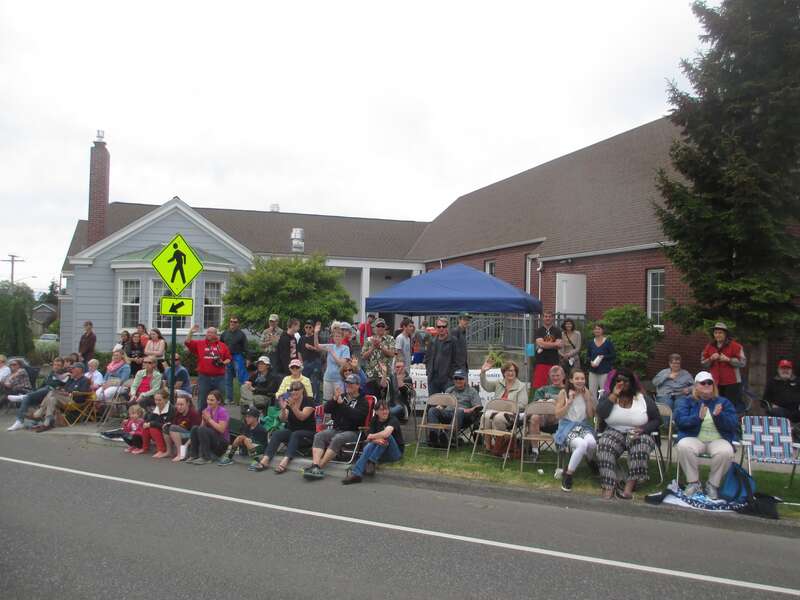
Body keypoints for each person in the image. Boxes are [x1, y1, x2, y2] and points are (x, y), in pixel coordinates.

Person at [596, 368, 660, 499]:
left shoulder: (643, 399)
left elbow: (657, 420)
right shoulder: (607, 396)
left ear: (632, 383)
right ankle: (609, 486)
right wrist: (614, 395)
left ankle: (629, 487)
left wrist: (644, 429)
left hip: (639, 432)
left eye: (626, 381)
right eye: (619, 380)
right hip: (614, 430)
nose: (622, 383)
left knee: (640, 448)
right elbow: (601, 413)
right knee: (604, 447)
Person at [674, 371, 738, 499]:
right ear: (696, 386)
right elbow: (680, 422)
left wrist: (719, 416)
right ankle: (693, 483)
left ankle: (712, 484)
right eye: (703, 383)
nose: (707, 385)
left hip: (718, 439)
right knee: (683, 446)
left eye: (710, 383)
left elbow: (733, 424)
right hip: (695, 438)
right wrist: (697, 418)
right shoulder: (686, 402)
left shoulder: (723, 402)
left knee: (726, 451)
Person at [303, 374, 369, 480]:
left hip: (353, 432)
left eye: (351, 383)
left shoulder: (363, 402)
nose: (348, 385)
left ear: (358, 385)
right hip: (337, 429)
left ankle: (319, 466)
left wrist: (342, 404)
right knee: (319, 435)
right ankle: (315, 465)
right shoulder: (341, 396)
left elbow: (357, 417)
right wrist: (334, 399)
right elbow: (326, 409)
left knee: (338, 438)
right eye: (347, 383)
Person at [252, 382, 316, 473]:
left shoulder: (308, 400)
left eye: (296, 389)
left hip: (308, 433)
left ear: (302, 390)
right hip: (293, 431)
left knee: (295, 434)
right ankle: (265, 460)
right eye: (292, 390)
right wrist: (282, 408)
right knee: (278, 433)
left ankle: (285, 461)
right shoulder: (289, 401)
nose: (294, 391)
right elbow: (283, 419)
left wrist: (293, 407)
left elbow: (302, 417)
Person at [554, 369, 597, 492]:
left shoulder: (586, 392)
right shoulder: (564, 393)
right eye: (577, 378)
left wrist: (588, 399)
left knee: (592, 443)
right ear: (571, 380)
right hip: (567, 427)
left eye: (582, 379)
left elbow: (589, 415)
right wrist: (569, 403)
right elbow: (557, 415)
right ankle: (568, 475)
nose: (580, 381)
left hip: (583, 426)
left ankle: (589, 460)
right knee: (582, 444)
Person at [342, 401, 405, 484]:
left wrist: (372, 437)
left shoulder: (393, 419)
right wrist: (375, 440)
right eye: (382, 410)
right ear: (376, 412)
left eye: (386, 409)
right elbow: (368, 438)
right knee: (373, 443)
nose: (385, 412)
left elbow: (385, 433)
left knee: (387, 436)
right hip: (381, 454)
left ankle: (370, 461)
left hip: (394, 453)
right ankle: (358, 473)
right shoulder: (374, 420)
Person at [7, 357, 66, 431]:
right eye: (55, 365)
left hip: (53, 396)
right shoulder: (52, 373)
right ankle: (19, 421)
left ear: (62, 366)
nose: (56, 366)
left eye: (58, 365)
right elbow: (43, 384)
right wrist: (36, 392)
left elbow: (54, 384)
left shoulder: (65, 374)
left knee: (49, 387)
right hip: (43, 394)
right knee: (28, 398)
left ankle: (23, 399)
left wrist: (51, 383)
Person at [31, 362, 92, 432]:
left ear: (80, 370)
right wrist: (62, 391)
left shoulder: (85, 380)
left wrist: (69, 393)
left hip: (75, 401)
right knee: (52, 399)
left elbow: (83, 393)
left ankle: (39, 412)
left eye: (74, 368)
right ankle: (46, 423)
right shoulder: (71, 379)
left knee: (52, 392)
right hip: (65, 399)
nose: (71, 370)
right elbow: (65, 389)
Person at [701, 322, 747, 414]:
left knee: (729, 407)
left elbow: (743, 363)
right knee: (715, 407)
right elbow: (703, 363)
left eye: (720, 333)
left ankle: (729, 426)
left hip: (732, 383)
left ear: (726, 334)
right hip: (715, 382)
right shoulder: (709, 346)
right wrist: (711, 358)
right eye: (716, 333)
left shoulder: (736, 346)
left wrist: (728, 359)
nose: (718, 335)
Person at [426, 368, 481, 444]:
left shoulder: (472, 391)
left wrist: (468, 410)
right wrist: (440, 407)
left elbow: (478, 406)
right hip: (448, 413)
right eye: (456, 378)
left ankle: (448, 437)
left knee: (458, 411)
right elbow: (443, 405)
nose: (458, 380)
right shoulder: (449, 390)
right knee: (432, 410)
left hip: (463, 416)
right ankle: (434, 436)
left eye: (460, 378)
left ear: (465, 379)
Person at [185, 324, 231, 411]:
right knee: (202, 400)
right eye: (208, 332)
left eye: (211, 332)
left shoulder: (222, 345)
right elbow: (187, 342)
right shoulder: (200, 344)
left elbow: (228, 358)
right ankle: (200, 420)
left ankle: (219, 419)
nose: (208, 334)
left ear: (216, 334)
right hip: (204, 377)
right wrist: (191, 332)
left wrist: (223, 362)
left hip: (219, 377)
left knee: (219, 400)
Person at [479, 359, 527, 432]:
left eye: (513, 371)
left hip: (512, 414)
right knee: (485, 416)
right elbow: (486, 386)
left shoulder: (521, 386)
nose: (510, 373)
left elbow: (522, 405)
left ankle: (499, 443)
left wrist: (506, 407)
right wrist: (483, 372)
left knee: (498, 418)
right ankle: (488, 443)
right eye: (508, 370)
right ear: (504, 372)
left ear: (516, 372)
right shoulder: (499, 383)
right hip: (496, 411)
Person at [187, 390, 230, 465]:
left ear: (218, 401)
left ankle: (206, 457)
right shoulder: (207, 410)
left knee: (202, 429)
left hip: (221, 443)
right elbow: (200, 429)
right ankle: (194, 455)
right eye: (208, 399)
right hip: (212, 439)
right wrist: (204, 420)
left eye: (212, 400)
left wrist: (209, 419)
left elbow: (221, 429)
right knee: (195, 428)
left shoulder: (222, 411)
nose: (209, 402)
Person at [313, 322, 351, 401]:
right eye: (335, 336)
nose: (337, 338)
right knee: (327, 401)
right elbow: (317, 345)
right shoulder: (330, 346)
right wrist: (316, 333)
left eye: (339, 336)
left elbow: (342, 363)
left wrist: (333, 353)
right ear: (333, 337)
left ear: (342, 337)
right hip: (327, 378)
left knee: (339, 401)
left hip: (338, 379)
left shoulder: (345, 348)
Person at [360, 317, 396, 396]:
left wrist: (380, 346)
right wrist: (372, 347)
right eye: (378, 326)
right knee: (372, 400)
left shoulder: (390, 339)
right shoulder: (369, 340)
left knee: (384, 400)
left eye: (382, 326)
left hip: (385, 376)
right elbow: (363, 356)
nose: (380, 328)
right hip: (371, 376)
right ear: (374, 328)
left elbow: (392, 354)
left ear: (385, 327)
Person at [134, 390, 175, 458]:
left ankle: (161, 450)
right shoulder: (155, 408)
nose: (157, 402)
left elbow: (167, 425)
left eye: (159, 400)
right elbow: (149, 419)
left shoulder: (171, 409)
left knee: (152, 428)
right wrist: (146, 423)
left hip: (168, 432)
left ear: (166, 399)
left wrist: (152, 424)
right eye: (156, 400)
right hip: (159, 431)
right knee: (146, 427)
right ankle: (144, 448)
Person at [529, 365, 566, 436]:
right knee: (534, 417)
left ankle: (522, 416)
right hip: (543, 419)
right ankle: (534, 447)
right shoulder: (543, 389)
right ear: (549, 376)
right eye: (553, 376)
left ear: (563, 376)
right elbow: (535, 405)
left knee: (551, 402)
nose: (555, 378)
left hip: (559, 420)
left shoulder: (567, 390)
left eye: (558, 375)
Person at [220, 315, 249, 401]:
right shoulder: (224, 333)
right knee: (227, 379)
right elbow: (220, 346)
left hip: (238, 356)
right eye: (231, 321)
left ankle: (244, 398)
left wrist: (248, 359)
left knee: (242, 378)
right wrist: (221, 358)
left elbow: (246, 347)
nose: (232, 323)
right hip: (227, 357)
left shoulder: (241, 334)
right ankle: (229, 398)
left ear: (238, 324)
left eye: (235, 322)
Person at [426, 318, 458, 395]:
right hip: (433, 379)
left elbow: (457, 360)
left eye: (444, 326)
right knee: (433, 403)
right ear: (436, 327)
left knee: (448, 404)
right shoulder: (432, 341)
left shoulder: (453, 341)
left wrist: (451, 375)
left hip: (447, 380)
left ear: (447, 328)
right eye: (439, 326)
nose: (441, 328)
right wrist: (428, 371)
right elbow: (427, 357)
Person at [167, 394, 202, 462]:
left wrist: (185, 446)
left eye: (181, 404)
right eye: (177, 404)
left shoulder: (193, 414)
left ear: (188, 403)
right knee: (166, 428)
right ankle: (169, 451)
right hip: (183, 433)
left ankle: (181, 454)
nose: (179, 407)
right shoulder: (177, 412)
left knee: (173, 428)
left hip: (192, 437)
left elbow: (195, 433)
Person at [533, 310, 563, 390]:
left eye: (549, 317)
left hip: (554, 361)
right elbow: (540, 344)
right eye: (546, 316)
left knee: (554, 385)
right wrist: (554, 344)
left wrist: (544, 344)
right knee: (539, 387)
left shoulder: (557, 331)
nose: (547, 318)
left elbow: (560, 345)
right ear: (543, 318)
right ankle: (538, 402)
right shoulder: (539, 330)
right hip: (541, 361)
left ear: (553, 318)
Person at [764, 359, 799, 423]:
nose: (785, 371)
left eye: (788, 369)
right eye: (783, 368)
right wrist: (771, 405)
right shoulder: (771, 382)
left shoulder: (798, 382)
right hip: (779, 411)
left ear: (791, 370)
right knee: (776, 411)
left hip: (796, 410)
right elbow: (764, 401)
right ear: (778, 370)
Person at [587, 323, 615, 401]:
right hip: (593, 371)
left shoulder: (608, 342)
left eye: (599, 329)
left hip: (604, 371)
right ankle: (593, 410)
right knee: (592, 392)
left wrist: (604, 357)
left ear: (602, 330)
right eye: (595, 329)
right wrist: (590, 362)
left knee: (604, 392)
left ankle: (602, 410)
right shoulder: (591, 343)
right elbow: (588, 356)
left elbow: (613, 355)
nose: (597, 330)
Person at [299, 320, 322, 401]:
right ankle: (306, 400)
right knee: (305, 383)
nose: (308, 329)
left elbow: (320, 350)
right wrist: (301, 363)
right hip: (305, 363)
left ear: (313, 328)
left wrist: (312, 348)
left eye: (310, 327)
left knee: (315, 383)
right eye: (306, 327)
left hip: (315, 362)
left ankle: (316, 402)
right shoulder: (301, 338)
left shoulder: (317, 337)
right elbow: (299, 352)